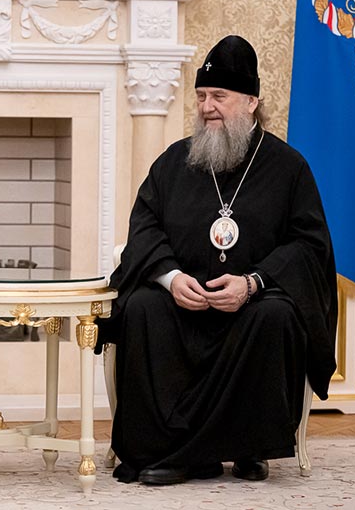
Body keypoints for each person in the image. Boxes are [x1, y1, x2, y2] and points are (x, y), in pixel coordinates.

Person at [101, 35, 337, 485]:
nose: (207, 107)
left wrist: (252, 283)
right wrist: (171, 278)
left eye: (219, 96)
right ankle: (174, 452)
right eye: (201, 96)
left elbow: (309, 246)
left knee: (275, 317)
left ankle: (248, 446)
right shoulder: (175, 162)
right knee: (141, 306)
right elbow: (144, 228)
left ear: (251, 102)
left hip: (251, 305)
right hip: (183, 303)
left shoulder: (289, 167)